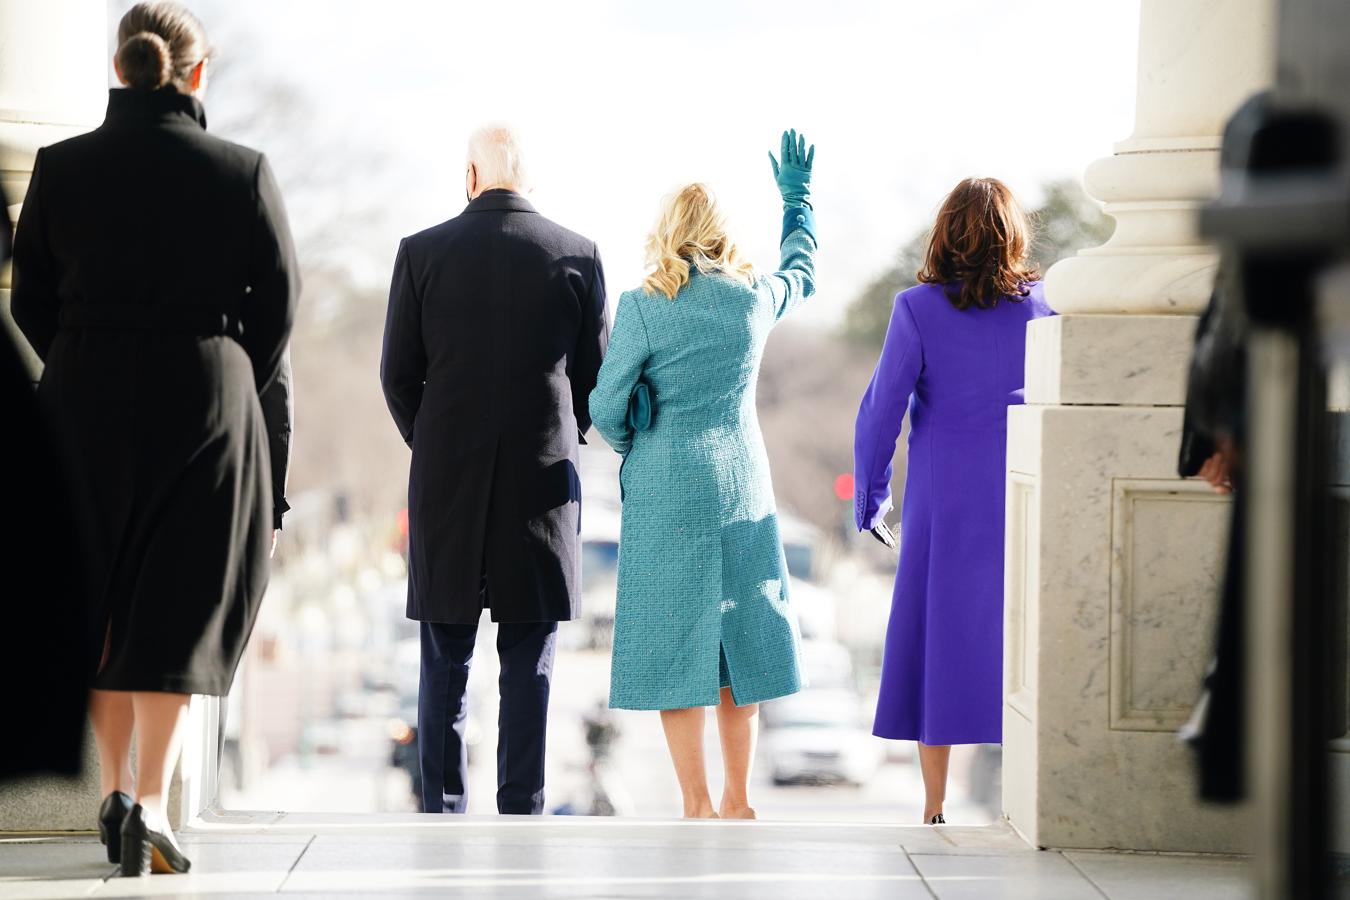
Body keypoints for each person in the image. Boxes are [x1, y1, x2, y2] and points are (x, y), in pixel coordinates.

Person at [10, 1, 297, 875]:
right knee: (176, 604)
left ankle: (112, 789)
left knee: (99, 598)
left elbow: (29, 300)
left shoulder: (60, 166)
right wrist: (224, 370)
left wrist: (83, 354)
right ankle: (150, 800)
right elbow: (275, 308)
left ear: (120, 65)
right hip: (203, 397)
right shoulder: (241, 170)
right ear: (197, 73)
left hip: (83, 394)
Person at [589, 130, 817, 819]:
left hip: (666, 486)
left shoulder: (642, 306)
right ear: (721, 236)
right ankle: (738, 798)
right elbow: (801, 272)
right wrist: (797, 199)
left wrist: (638, 427)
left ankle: (695, 803)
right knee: (736, 646)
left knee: (673, 642)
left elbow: (604, 408)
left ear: (669, 232)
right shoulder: (752, 299)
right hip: (740, 481)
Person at [380, 124, 607, 816]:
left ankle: (443, 808)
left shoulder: (420, 253)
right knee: (528, 666)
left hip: (447, 484)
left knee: (444, 662)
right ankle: (522, 807)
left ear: (470, 176)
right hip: (542, 487)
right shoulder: (578, 255)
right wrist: (565, 435)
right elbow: (596, 382)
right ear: (528, 179)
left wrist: (438, 441)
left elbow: (397, 374)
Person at [853, 177, 1052, 825]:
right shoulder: (1044, 308)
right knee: (1020, 636)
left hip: (945, 502)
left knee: (936, 639)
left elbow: (882, 409)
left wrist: (872, 496)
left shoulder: (917, 308)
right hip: (1026, 497)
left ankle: (935, 806)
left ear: (944, 232)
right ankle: (1022, 801)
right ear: (1012, 235)